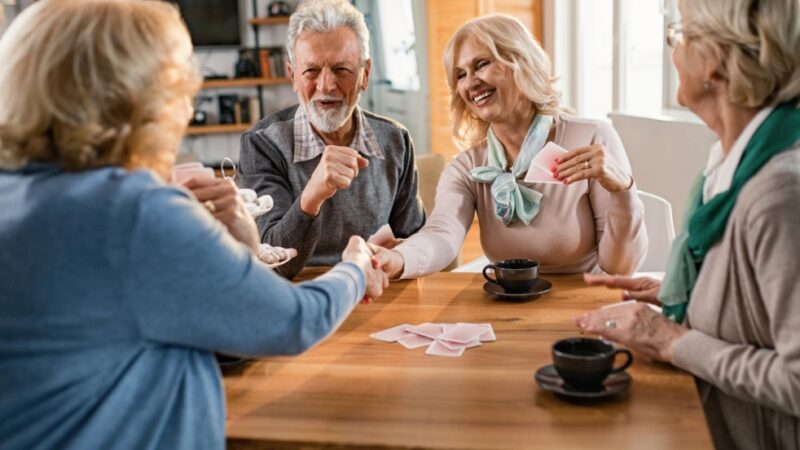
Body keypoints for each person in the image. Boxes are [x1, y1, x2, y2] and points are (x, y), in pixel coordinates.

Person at [0, 1, 386, 449]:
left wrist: (238, 251)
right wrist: (355, 267)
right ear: (141, 96)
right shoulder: (138, 211)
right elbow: (293, 321)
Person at [575, 0, 800, 448]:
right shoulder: (727, 162)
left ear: (714, 60)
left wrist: (672, 340)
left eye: (679, 33)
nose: (671, 48)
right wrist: (685, 289)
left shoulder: (778, 193)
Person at [375, 14, 647, 280]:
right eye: (460, 75)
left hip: (584, 302)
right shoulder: (468, 167)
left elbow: (619, 268)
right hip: (508, 303)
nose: (470, 82)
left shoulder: (591, 137)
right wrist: (400, 258)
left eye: (481, 64)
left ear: (521, 62)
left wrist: (623, 191)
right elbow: (441, 235)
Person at [238, 0, 425, 279]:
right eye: (311, 71)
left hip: (376, 291)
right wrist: (313, 195)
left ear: (365, 74)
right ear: (293, 76)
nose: (326, 86)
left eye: (341, 70)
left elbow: (416, 246)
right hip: (301, 297)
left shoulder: (395, 140)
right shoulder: (262, 143)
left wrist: (403, 254)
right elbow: (275, 267)